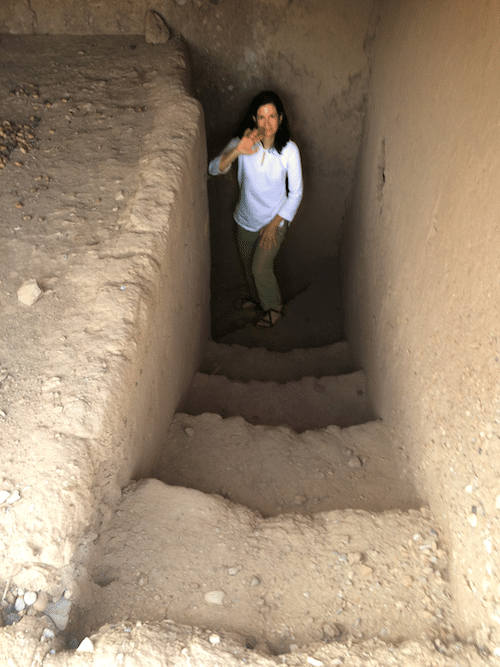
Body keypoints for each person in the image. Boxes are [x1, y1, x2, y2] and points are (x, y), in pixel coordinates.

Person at [208, 90, 303, 328]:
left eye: (272, 116)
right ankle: (257, 300)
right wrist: (238, 151)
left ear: (280, 119)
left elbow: (296, 194)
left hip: (275, 219)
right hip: (245, 218)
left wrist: (273, 226)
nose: (267, 122)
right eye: (262, 117)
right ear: (254, 119)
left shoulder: (289, 150)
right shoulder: (244, 144)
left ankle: (274, 308)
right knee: (247, 265)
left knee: (260, 268)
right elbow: (212, 169)